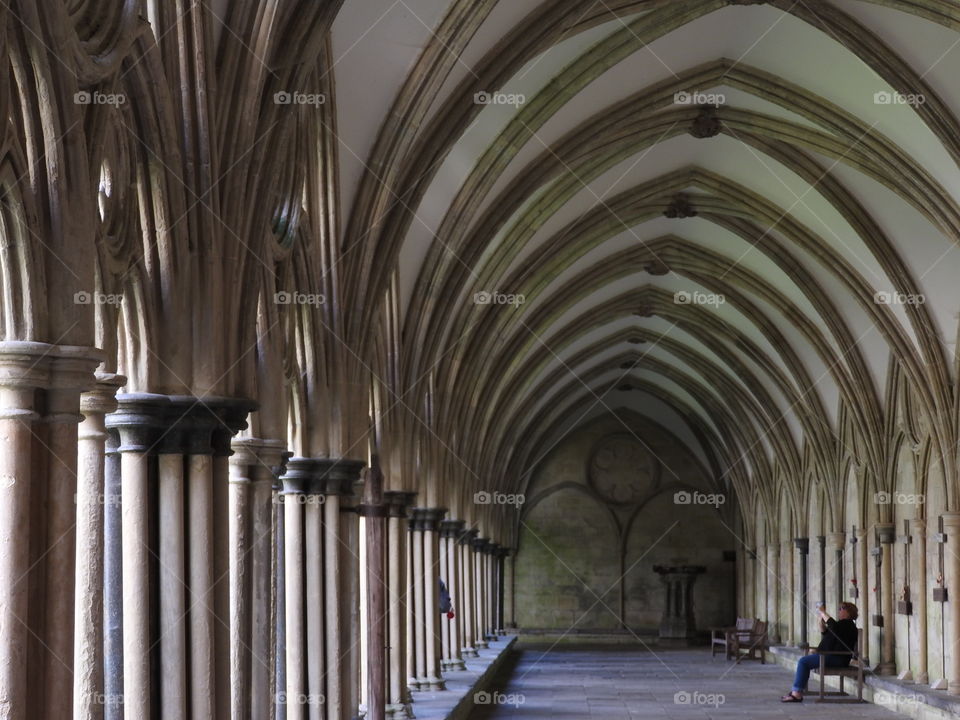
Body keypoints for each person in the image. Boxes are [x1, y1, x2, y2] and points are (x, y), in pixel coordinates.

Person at [781, 601, 858, 702]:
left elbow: (833, 627)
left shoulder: (848, 625)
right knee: (805, 661)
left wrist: (823, 612)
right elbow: (827, 634)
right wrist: (821, 622)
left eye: (842, 608)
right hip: (832, 656)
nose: (839, 610)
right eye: (839, 608)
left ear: (849, 612)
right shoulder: (841, 625)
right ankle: (797, 691)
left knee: (803, 662)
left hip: (838, 658)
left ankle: (796, 693)